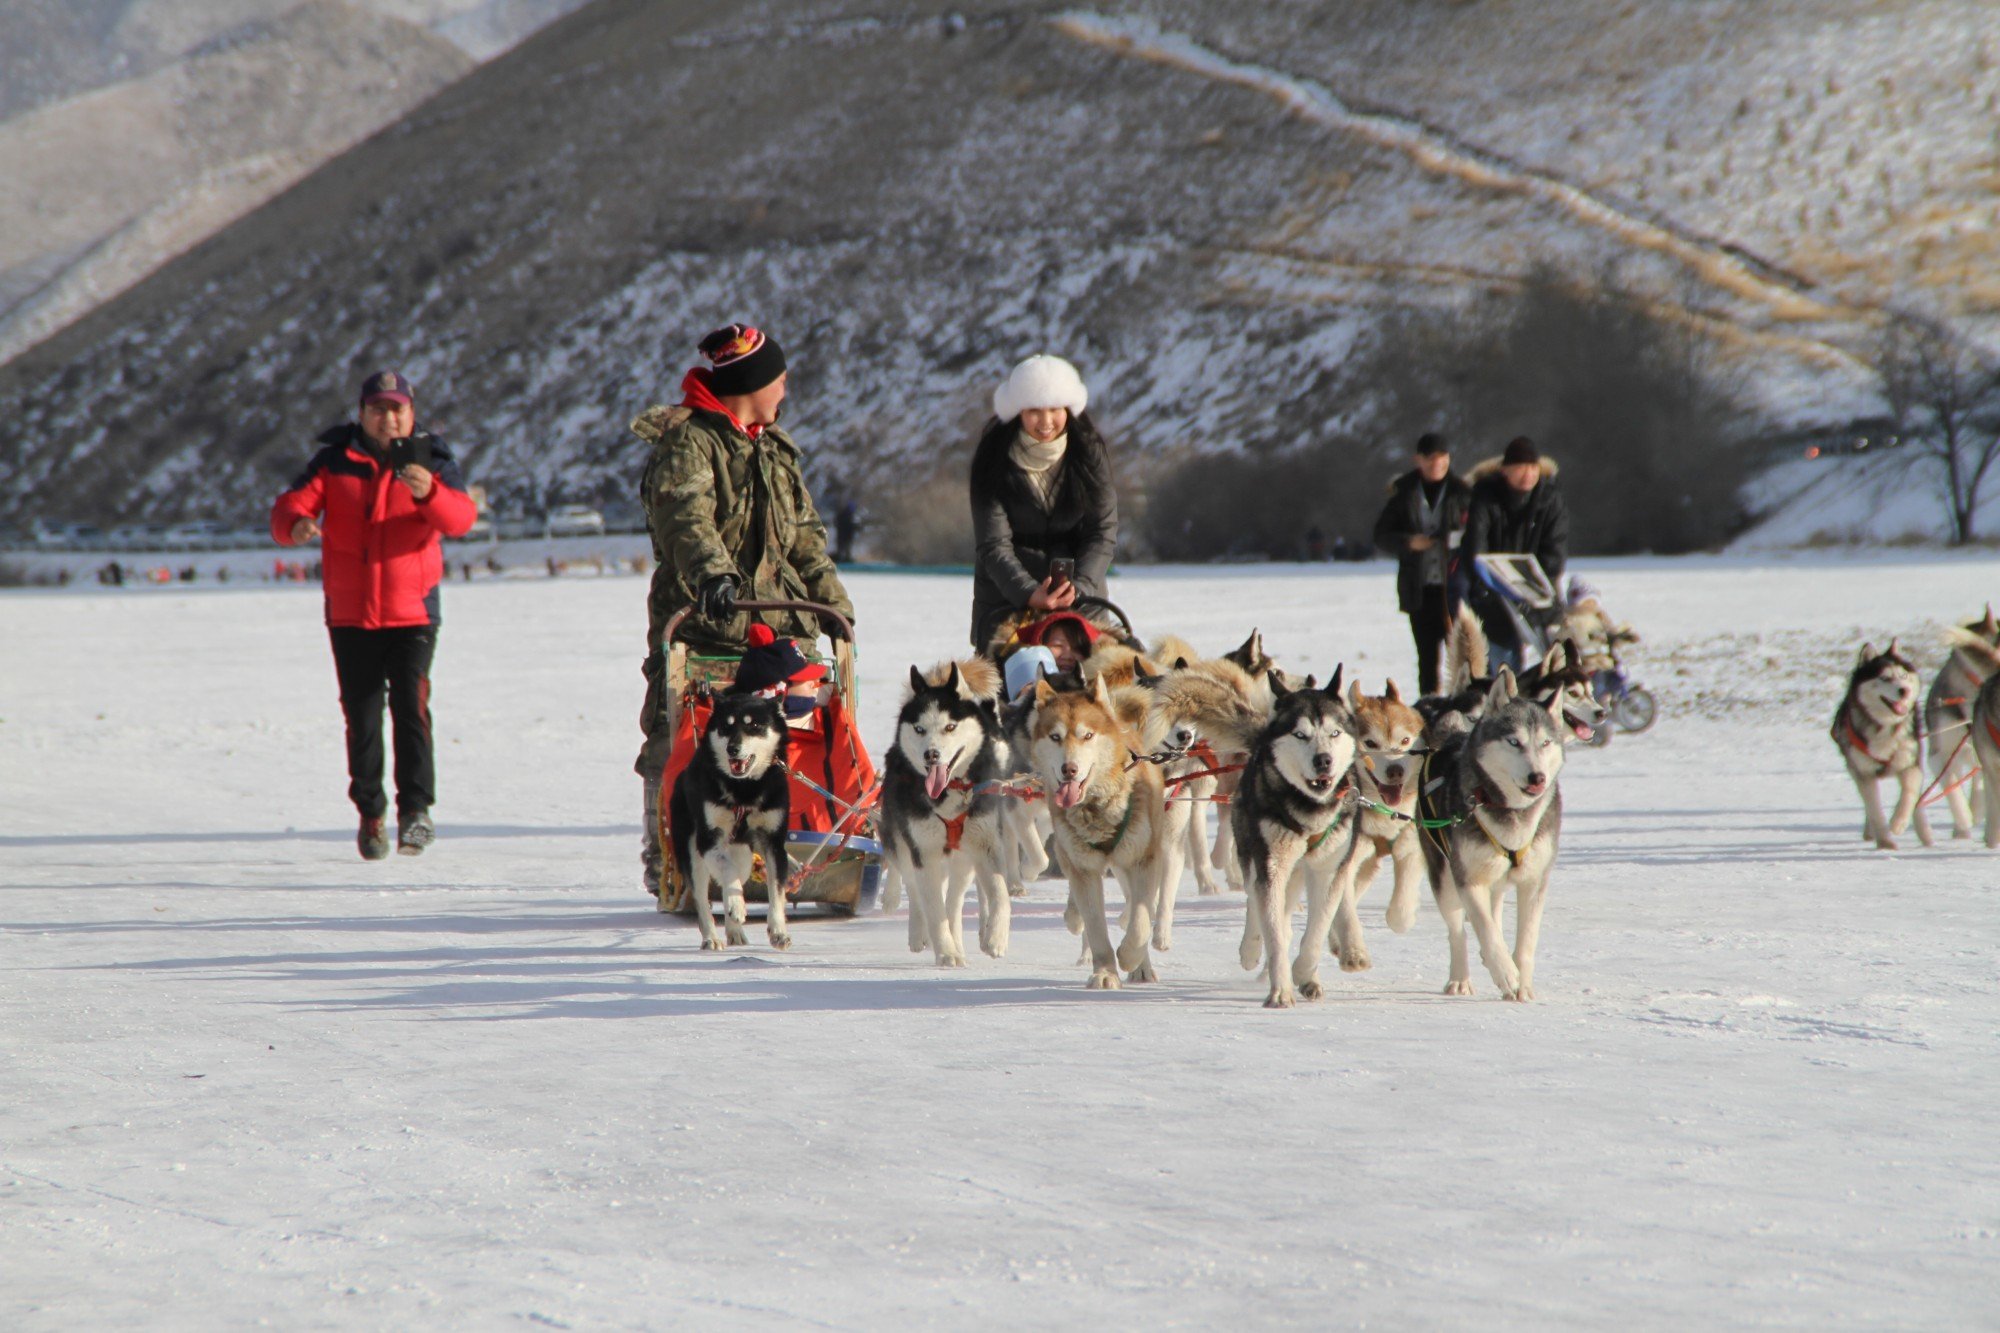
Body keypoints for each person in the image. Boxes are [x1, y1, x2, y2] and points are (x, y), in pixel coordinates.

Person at [631, 323, 852, 897]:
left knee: (799, 724)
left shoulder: (775, 450)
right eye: (779, 379)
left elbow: (804, 537)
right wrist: (714, 575)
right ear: (752, 384)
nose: (785, 390)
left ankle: (803, 838)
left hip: (775, 620)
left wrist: (832, 606)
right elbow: (686, 519)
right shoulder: (689, 445)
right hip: (704, 620)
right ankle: (669, 857)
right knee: (678, 730)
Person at [270, 370, 477, 859]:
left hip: (414, 613)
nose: (389, 418)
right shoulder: (335, 460)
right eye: (379, 409)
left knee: (412, 710)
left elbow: (461, 520)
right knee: (362, 720)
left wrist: (429, 492)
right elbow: (286, 508)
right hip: (351, 613)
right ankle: (371, 812)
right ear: (361, 413)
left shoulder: (432, 458)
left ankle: (416, 813)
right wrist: (296, 525)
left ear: (411, 412)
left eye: (397, 409)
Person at [969, 354, 1118, 650]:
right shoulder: (992, 459)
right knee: (1020, 676)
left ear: (1069, 409)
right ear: (1018, 412)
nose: (1046, 421)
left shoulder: (1089, 454)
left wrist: (1081, 587)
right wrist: (1028, 593)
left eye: (1055, 409)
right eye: (1035, 410)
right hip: (1006, 601)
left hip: (1082, 599)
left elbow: (1102, 531)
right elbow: (993, 544)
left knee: (1097, 679)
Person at [1460, 435, 1569, 675]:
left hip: (1538, 590)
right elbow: (1475, 546)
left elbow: (1555, 548)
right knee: (1503, 662)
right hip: (1494, 591)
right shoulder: (1485, 497)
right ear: (1506, 470)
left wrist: (1539, 584)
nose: (1528, 474)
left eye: (1533, 467)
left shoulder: (1550, 499)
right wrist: (1485, 584)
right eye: (1521, 468)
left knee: (1555, 656)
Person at [1372, 431, 1471, 694]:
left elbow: (1479, 533)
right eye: (1430, 459)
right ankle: (1430, 706)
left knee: (1462, 656)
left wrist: (1454, 539)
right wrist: (1407, 542)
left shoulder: (1462, 493)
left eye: (1441, 458)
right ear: (1418, 460)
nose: (1436, 464)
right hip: (1419, 587)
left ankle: (1463, 704)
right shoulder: (1403, 494)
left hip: (1455, 586)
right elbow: (1381, 535)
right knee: (1427, 658)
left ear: (1448, 458)